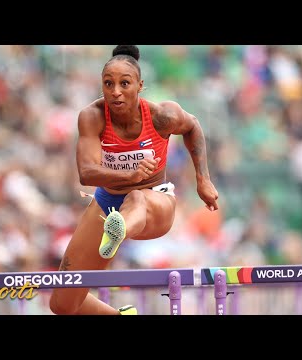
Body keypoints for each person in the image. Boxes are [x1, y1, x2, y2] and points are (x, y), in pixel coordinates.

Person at [49, 45, 219, 315]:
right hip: (107, 201)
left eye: (124, 84)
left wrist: (203, 180)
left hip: (154, 200)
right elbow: (87, 172)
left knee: (136, 197)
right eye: (108, 84)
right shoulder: (92, 117)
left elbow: (193, 126)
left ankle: (119, 230)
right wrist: (130, 174)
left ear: (140, 86)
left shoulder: (162, 115)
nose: (115, 91)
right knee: (62, 304)